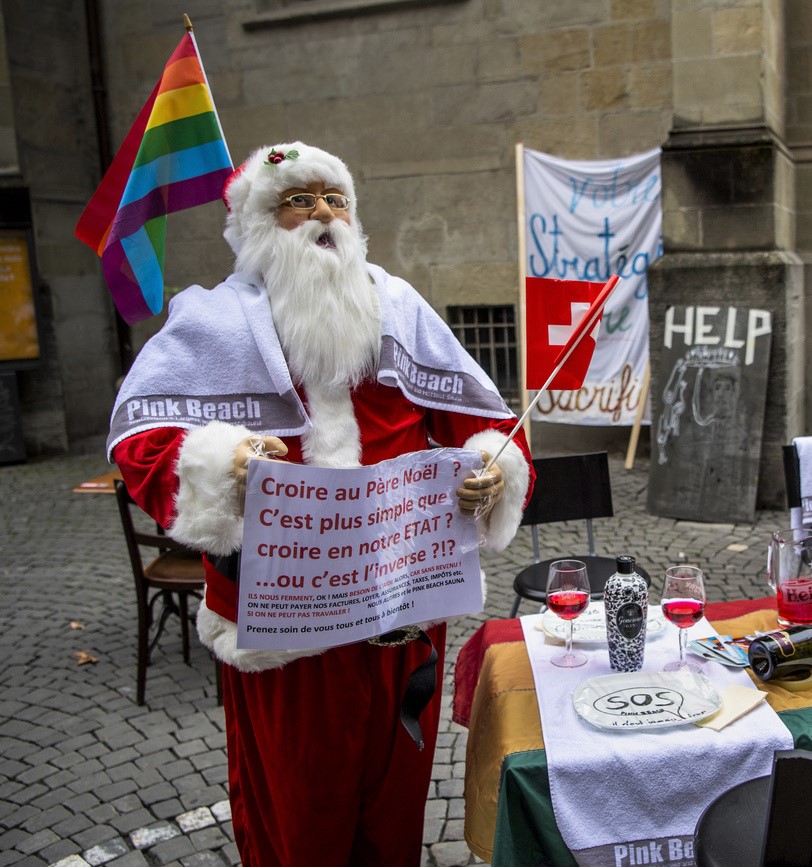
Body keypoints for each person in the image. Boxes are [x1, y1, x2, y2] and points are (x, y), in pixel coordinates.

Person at [108, 142, 533, 867]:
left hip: (402, 625)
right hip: (286, 640)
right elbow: (142, 443)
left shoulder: (398, 305)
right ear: (259, 223)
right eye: (299, 200)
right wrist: (223, 462)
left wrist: (493, 471)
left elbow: (483, 427)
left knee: (392, 824)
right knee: (298, 829)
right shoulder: (210, 322)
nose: (323, 216)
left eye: (335, 199)